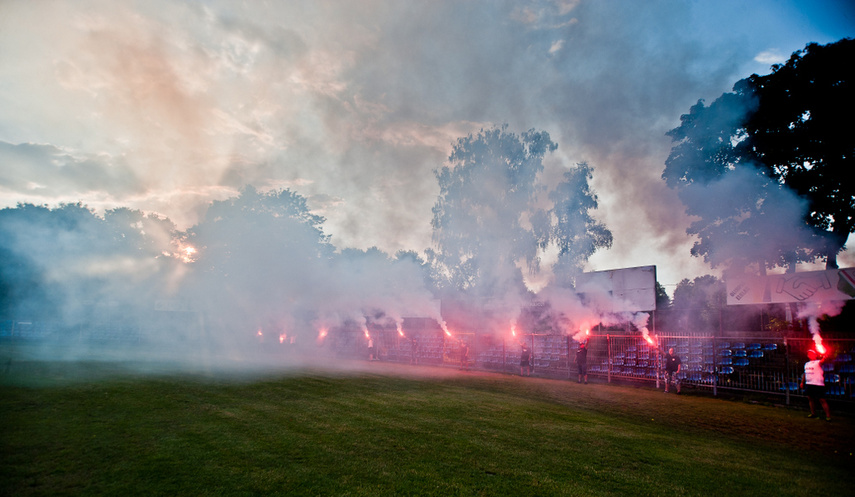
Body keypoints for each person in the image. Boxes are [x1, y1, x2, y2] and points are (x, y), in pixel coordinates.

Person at [800, 349, 831, 421]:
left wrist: (825, 357)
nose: (810, 355)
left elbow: (823, 360)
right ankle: (813, 413)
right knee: (810, 398)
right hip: (809, 383)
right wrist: (802, 382)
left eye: (811, 354)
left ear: (815, 355)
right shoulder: (806, 364)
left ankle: (828, 416)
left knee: (822, 400)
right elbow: (805, 373)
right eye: (808, 354)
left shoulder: (818, 362)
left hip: (818, 384)